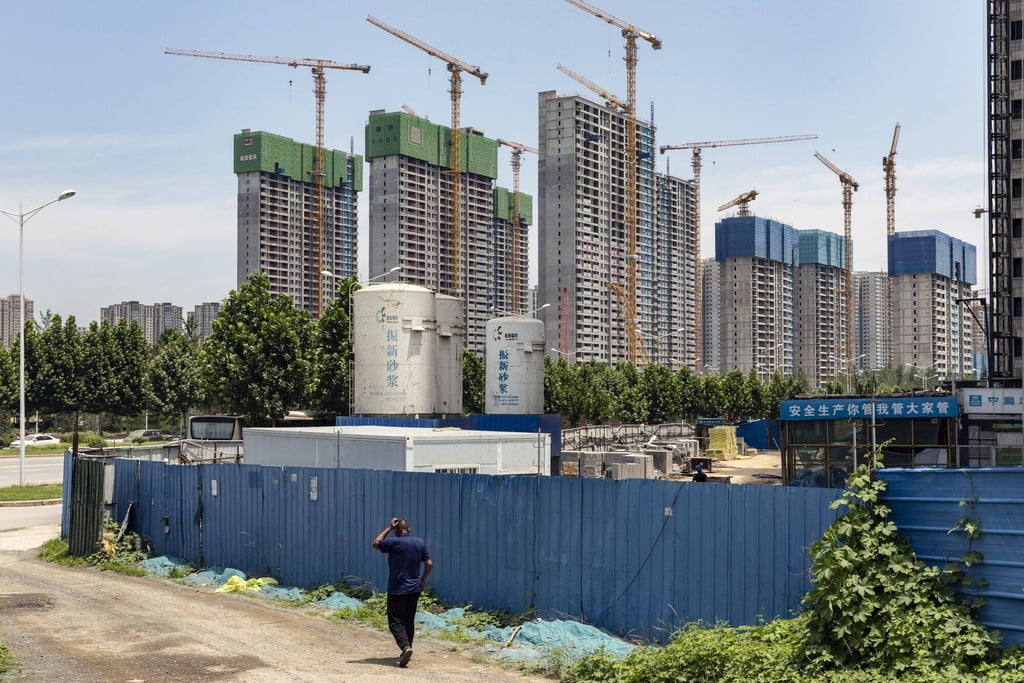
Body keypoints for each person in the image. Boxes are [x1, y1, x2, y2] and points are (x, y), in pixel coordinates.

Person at [372, 517, 433, 668]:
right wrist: (423, 580)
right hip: (414, 589)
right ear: (409, 529)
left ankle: (405, 647)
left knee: (395, 622)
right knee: (408, 620)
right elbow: (429, 563)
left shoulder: (394, 542)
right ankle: (408, 647)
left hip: (397, 589)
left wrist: (389, 528)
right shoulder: (419, 542)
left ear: (397, 530)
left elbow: (375, 543)